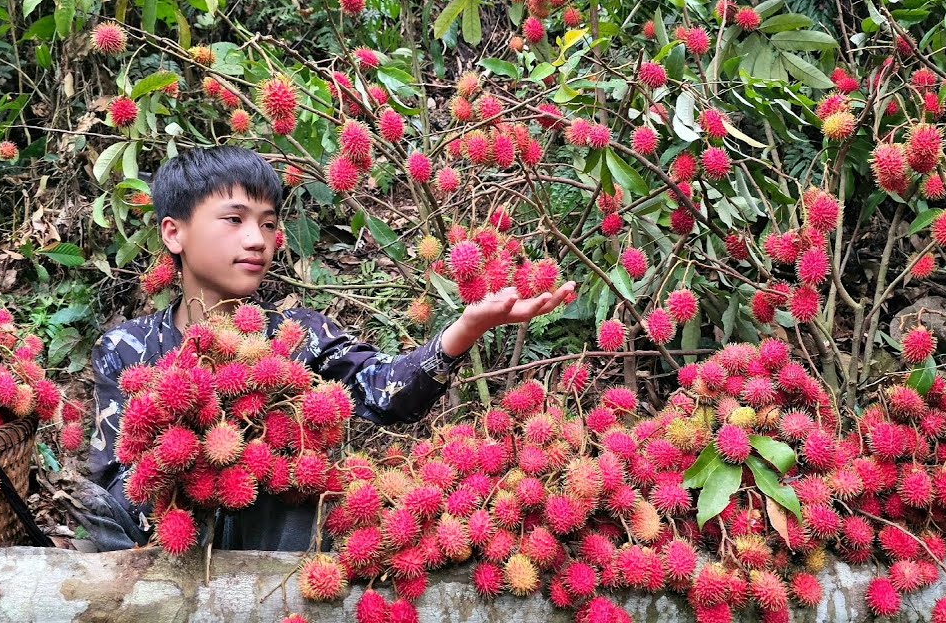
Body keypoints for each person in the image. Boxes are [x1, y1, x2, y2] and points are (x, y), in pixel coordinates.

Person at [75, 145, 575, 552]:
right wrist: (197, 440)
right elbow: (119, 484)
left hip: (276, 549)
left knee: (297, 479)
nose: (258, 240)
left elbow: (384, 389)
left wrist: (466, 327)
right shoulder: (126, 349)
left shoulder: (298, 335)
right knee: (96, 509)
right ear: (174, 233)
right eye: (234, 219)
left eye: (268, 223)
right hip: (166, 553)